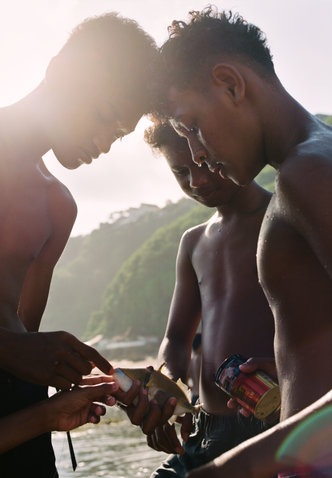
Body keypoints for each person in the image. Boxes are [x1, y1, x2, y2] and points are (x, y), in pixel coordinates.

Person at [0, 12, 157, 477]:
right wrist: (3, 348)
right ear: (58, 72)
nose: (104, 143)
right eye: (100, 115)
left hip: (15, 416)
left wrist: (105, 383)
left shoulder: (58, 206)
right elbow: (15, 347)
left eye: (118, 133)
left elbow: (27, 339)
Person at [152, 6, 332, 477]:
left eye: (191, 127)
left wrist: (240, 464)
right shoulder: (315, 161)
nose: (197, 154)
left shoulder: (306, 175)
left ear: (231, 84)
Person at [140, 119, 275, 477]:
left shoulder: (283, 219)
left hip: (277, 423)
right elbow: (176, 338)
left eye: (202, 164)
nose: (196, 181)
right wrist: (165, 391)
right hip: (207, 428)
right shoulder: (193, 242)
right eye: (180, 171)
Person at [189, 333, 202, 405]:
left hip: (194, 396)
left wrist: (193, 388)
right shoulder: (201, 359)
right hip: (202, 396)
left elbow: (186, 381)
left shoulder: (190, 360)